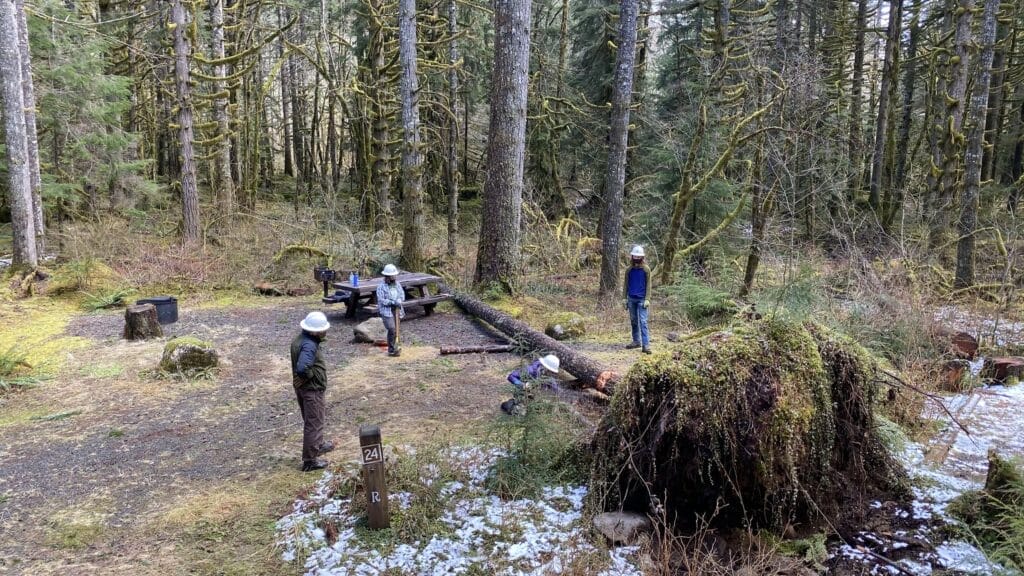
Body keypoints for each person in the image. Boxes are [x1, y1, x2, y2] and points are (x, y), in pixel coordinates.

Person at [290, 311, 335, 472]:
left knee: (313, 420)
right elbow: (302, 368)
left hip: (304, 388)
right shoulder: (309, 344)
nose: (325, 332)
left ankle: (317, 445)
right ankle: (310, 461)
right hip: (311, 390)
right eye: (323, 329)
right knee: (314, 423)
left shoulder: (301, 339)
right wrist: (311, 376)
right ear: (314, 331)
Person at [623, 244, 652, 354]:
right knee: (634, 321)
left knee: (643, 322)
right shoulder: (629, 269)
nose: (637, 258)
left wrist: (647, 299)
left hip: (642, 300)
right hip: (631, 299)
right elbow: (625, 284)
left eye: (639, 256)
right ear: (632, 257)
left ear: (642, 257)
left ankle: (646, 345)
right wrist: (624, 298)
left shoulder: (646, 269)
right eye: (635, 256)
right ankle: (636, 341)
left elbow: (649, 284)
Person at [375, 264, 405, 357]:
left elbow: (401, 295)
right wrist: (392, 302)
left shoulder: (397, 284)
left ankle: (397, 347)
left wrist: (399, 301)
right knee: (391, 329)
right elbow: (381, 300)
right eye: (393, 275)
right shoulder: (381, 286)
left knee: (397, 330)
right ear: (388, 276)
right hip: (386, 311)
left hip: (397, 310)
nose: (395, 276)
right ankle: (391, 349)